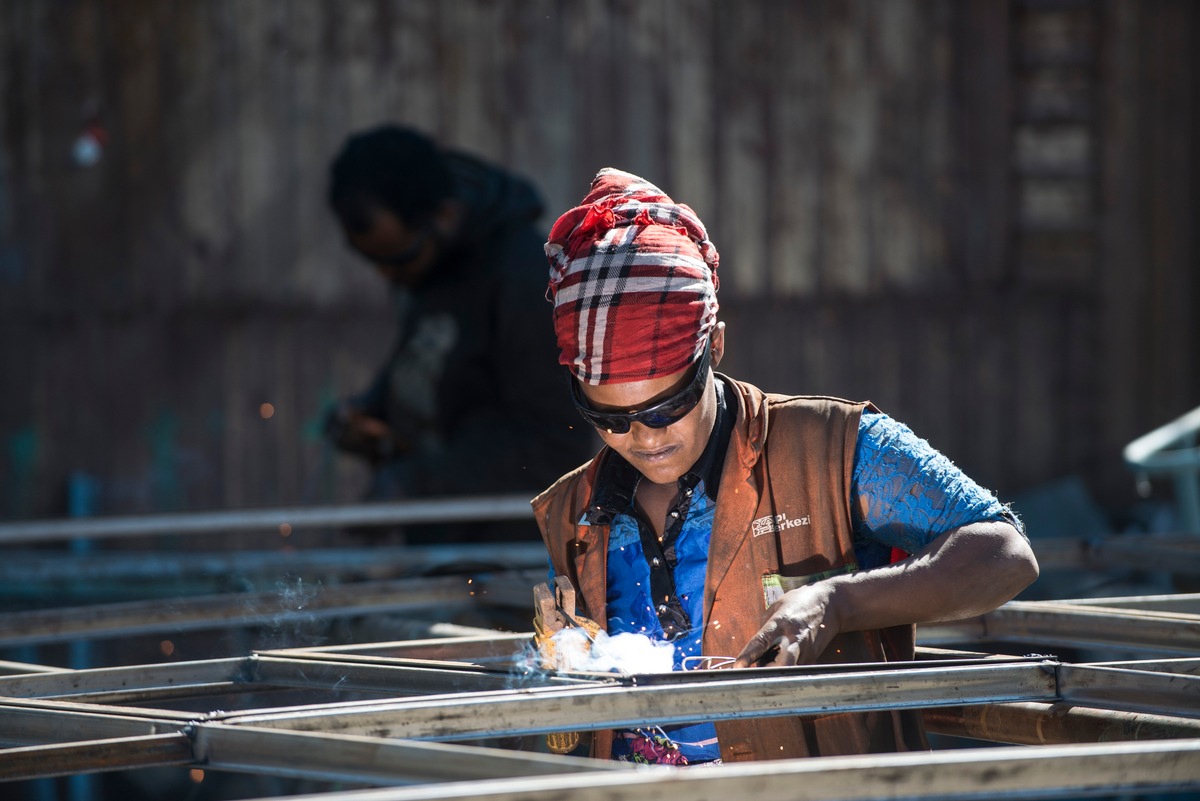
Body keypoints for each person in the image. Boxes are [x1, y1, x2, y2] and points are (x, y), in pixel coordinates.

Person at [531, 168, 1039, 764]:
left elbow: (1005, 554)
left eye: (666, 406)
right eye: (610, 419)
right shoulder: (573, 513)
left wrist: (839, 603)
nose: (643, 436)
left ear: (714, 347)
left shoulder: (831, 447)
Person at [325, 125, 594, 540]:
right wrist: (370, 415)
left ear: (445, 217)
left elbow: (556, 443)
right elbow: (433, 367)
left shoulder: (524, 279)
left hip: (509, 555)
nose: (388, 275)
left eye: (399, 259)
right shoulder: (433, 266)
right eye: (373, 261)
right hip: (444, 544)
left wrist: (414, 483)